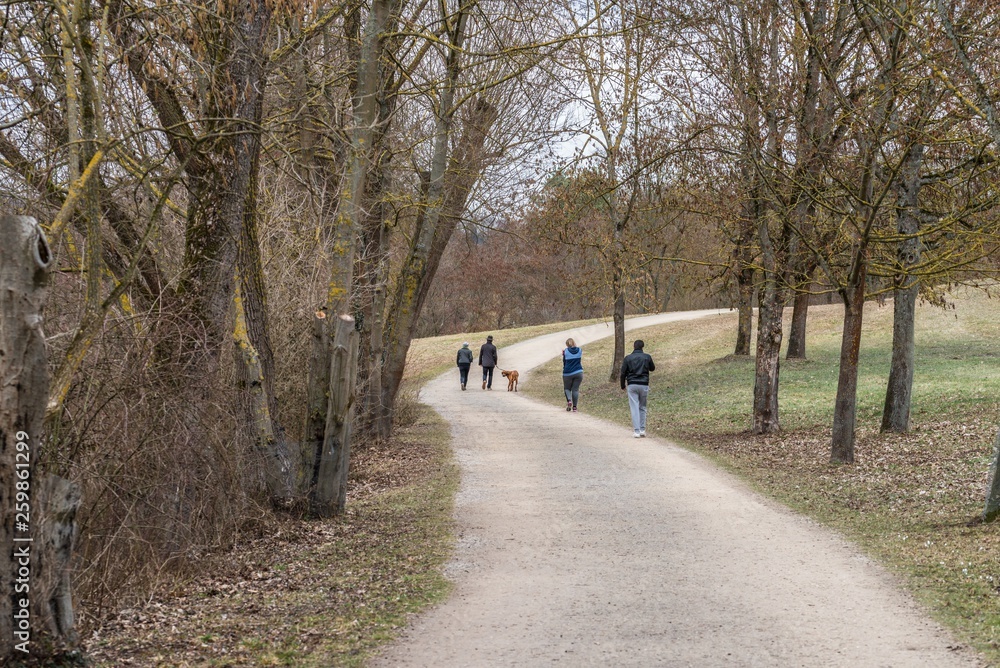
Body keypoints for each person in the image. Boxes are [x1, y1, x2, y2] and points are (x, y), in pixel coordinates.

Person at [620, 339, 656, 438]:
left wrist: (622, 385)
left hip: (632, 384)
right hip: (644, 384)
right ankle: (642, 429)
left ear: (634, 346)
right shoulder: (647, 357)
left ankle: (636, 430)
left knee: (634, 407)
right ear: (642, 346)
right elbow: (652, 368)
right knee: (643, 407)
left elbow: (623, 372)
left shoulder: (628, 358)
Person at [561, 338, 583, 412]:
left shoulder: (565, 351)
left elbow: (564, 362)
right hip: (579, 372)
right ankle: (574, 407)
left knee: (567, 388)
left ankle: (569, 400)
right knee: (575, 389)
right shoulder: (580, 350)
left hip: (567, 373)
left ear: (567, 344)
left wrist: (564, 355)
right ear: (574, 343)